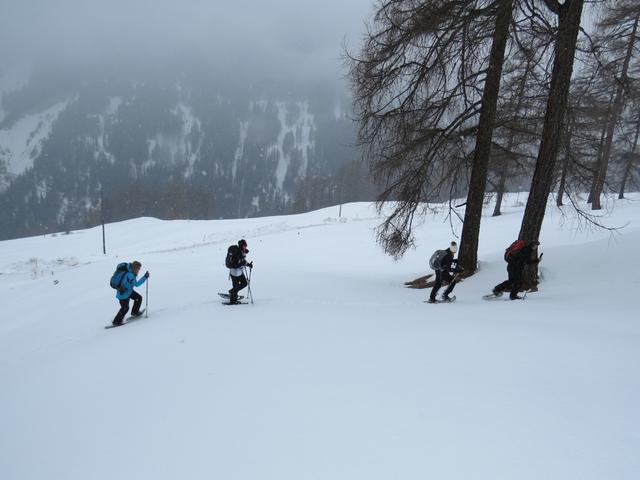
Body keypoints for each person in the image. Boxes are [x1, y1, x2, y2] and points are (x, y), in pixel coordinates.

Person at [113, 261, 149, 326]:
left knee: (138, 297)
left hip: (128, 291)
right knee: (125, 308)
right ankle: (116, 321)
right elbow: (136, 284)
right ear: (135, 268)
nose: (139, 270)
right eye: (138, 269)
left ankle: (135, 312)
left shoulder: (130, 272)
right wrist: (145, 277)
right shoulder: (130, 275)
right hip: (123, 294)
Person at [228, 239, 252, 304]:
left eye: (246, 245)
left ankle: (232, 292)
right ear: (241, 246)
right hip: (234, 273)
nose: (246, 247)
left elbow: (243, 261)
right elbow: (236, 264)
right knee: (236, 287)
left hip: (240, 272)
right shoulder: (237, 253)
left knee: (244, 283)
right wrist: (243, 264)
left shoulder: (242, 252)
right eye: (245, 245)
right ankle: (233, 300)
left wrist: (248, 264)